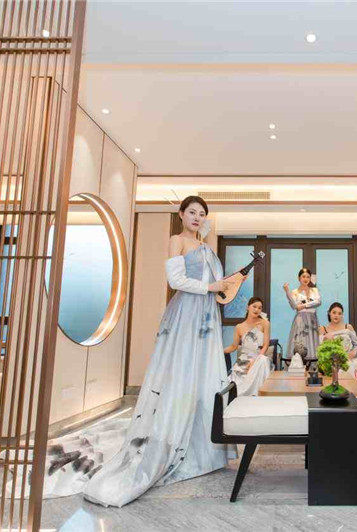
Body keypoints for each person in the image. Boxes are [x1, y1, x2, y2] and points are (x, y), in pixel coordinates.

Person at [79, 195, 236, 506]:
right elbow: (175, 280)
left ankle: (205, 449)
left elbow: (217, 285)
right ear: (181, 214)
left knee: (204, 376)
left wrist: (223, 285)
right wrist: (210, 287)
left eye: (202, 214)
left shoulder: (206, 247)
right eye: (192, 212)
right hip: (186, 312)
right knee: (181, 372)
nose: (197, 217)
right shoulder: (177, 241)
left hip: (206, 315)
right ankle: (172, 439)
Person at [224, 297, 272, 396]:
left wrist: (255, 361)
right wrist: (219, 351)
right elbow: (233, 347)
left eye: (259, 308)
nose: (257, 310)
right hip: (243, 361)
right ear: (247, 307)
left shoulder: (265, 323)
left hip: (259, 359)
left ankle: (257, 396)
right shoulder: (239, 327)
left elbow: (266, 345)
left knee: (263, 360)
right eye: (254, 306)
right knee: (234, 385)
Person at [318, 302, 357, 385]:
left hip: (350, 357)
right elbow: (321, 347)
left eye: (339, 313)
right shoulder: (323, 329)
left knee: (356, 366)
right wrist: (325, 339)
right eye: (334, 312)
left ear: (342, 315)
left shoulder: (348, 327)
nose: (336, 315)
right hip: (333, 359)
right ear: (329, 313)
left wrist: (353, 352)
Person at [283, 267, 321, 359]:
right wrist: (287, 291)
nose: (306, 279)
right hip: (300, 319)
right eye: (303, 276)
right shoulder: (294, 292)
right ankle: (299, 363)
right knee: (300, 339)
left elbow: (318, 302)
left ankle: (312, 364)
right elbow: (294, 306)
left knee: (312, 340)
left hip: (312, 318)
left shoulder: (314, 290)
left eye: (308, 277)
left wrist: (303, 306)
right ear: (299, 278)